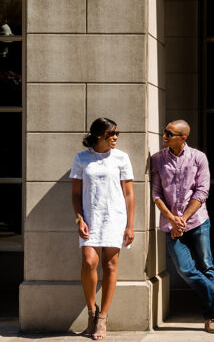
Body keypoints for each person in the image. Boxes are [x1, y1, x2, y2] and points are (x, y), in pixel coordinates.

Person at [151, 120, 214, 334]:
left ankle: (211, 318)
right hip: (171, 224)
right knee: (185, 268)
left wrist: (182, 218)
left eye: (169, 133)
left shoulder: (199, 158)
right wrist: (173, 219)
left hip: (198, 221)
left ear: (183, 138)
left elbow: (202, 192)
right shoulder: (157, 159)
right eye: (165, 131)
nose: (164, 135)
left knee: (206, 266)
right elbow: (156, 193)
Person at [70, 117, 135, 340]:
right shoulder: (81, 158)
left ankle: (103, 317)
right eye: (111, 133)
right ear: (99, 135)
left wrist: (130, 226)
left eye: (117, 133)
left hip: (115, 218)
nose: (115, 137)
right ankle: (91, 311)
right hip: (90, 218)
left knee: (109, 265)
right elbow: (76, 195)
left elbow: (129, 195)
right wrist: (80, 220)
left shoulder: (121, 158)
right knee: (89, 262)